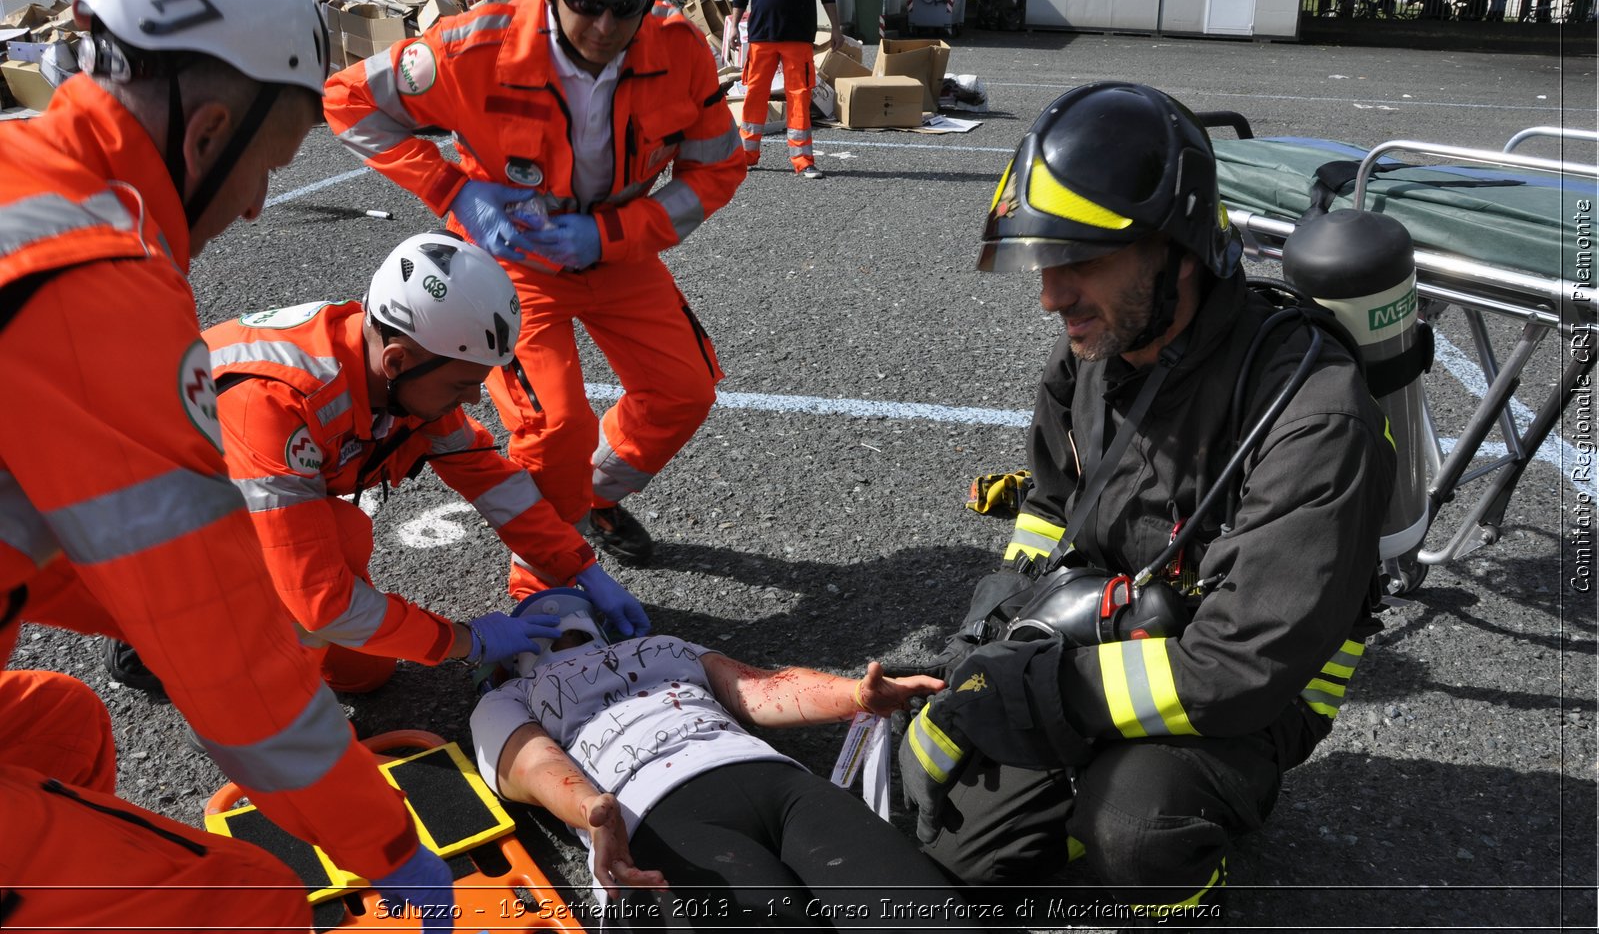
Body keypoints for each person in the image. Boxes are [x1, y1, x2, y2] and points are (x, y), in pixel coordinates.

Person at [0, 0, 452, 930]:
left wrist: (167, 610)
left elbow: (80, 549)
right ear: (205, 136)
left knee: (63, 726)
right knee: (248, 900)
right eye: (271, 165)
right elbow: (230, 664)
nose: (254, 210)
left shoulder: (23, 180)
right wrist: (380, 838)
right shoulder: (93, 283)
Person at [897, 83, 1396, 925]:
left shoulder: (1313, 410)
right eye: (1042, 263)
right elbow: (1049, 516)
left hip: (1255, 694)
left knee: (1134, 826)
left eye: (1081, 259)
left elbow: (1232, 669)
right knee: (964, 854)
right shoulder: (1092, 356)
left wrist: (1023, 696)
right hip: (1118, 636)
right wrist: (983, 651)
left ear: (1179, 250)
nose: (1051, 298)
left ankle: (1188, 888)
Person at [325, 0, 745, 579]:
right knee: (552, 429)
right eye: (585, 2)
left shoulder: (680, 52)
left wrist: (610, 235)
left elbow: (717, 171)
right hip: (514, 265)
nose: (606, 27)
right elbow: (346, 101)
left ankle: (592, 500)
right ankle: (543, 587)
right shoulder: (472, 49)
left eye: (626, 6)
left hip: (616, 250)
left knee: (684, 391)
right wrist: (456, 195)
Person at [107, 233, 651, 698]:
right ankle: (171, 639)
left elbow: (492, 482)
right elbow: (323, 602)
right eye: (465, 384)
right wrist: (466, 641)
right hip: (157, 523)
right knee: (329, 579)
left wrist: (582, 569)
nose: (475, 400)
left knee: (365, 672)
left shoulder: (402, 373)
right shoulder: (271, 405)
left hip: (235, 494)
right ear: (396, 361)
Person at [471, 587, 967, 928]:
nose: (563, 635)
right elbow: (531, 763)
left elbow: (757, 687)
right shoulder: (507, 698)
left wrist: (854, 695)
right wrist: (590, 809)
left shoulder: (661, 647)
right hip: (651, 813)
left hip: (777, 785)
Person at [727, 0, 843, 180]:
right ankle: (747, 155)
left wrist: (837, 27)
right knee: (754, 93)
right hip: (761, 36)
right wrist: (732, 26)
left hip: (797, 37)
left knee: (799, 96)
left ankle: (803, 159)